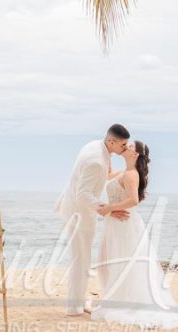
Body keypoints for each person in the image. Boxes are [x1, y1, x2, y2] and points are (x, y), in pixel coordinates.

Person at [91, 141, 178, 330]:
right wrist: (107, 151)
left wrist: (109, 208)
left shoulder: (131, 175)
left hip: (125, 224)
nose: (126, 146)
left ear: (136, 155)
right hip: (115, 223)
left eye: (131, 145)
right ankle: (116, 297)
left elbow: (133, 200)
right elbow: (107, 175)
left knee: (125, 263)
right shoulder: (120, 173)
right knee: (111, 261)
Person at [55, 124, 132, 316]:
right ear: (111, 141)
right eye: (122, 145)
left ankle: (78, 303)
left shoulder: (96, 146)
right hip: (78, 213)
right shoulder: (97, 160)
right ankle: (74, 307)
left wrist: (127, 173)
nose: (125, 148)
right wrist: (107, 210)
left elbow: (103, 176)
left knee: (82, 259)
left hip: (74, 208)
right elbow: (83, 195)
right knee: (80, 260)